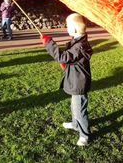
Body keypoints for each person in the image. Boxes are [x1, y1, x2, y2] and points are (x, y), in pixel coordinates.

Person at [40, 13, 93, 146]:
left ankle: (84, 135)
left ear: (75, 29)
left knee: (80, 110)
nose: (66, 28)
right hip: (76, 80)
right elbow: (71, 59)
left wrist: (49, 43)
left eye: (67, 26)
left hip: (79, 83)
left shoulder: (80, 46)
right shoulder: (78, 42)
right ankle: (75, 124)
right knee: (74, 107)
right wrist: (67, 63)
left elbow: (63, 57)